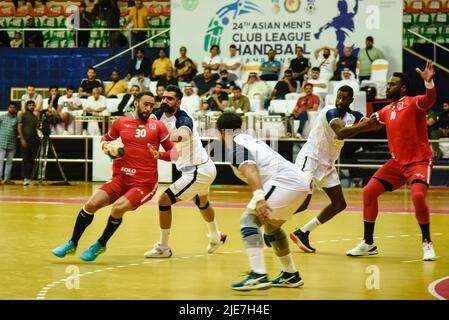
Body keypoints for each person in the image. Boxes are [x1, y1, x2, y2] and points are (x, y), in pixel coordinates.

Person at [51, 91, 176, 261]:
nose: (149, 108)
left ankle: (100, 244)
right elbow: (106, 138)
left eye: (151, 105)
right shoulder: (121, 122)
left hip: (144, 183)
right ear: (136, 104)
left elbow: (174, 153)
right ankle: (72, 243)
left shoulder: (158, 126)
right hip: (120, 178)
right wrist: (105, 146)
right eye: (145, 104)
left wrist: (159, 155)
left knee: (118, 208)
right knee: (91, 204)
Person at [346, 60, 437, 261]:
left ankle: (427, 243)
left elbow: (429, 100)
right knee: (369, 192)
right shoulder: (387, 110)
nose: (388, 87)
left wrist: (429, 83)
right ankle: (368, 244)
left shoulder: (414, 103)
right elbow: (371, 124)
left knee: (418, 197)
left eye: (392, 84)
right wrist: (350, 128)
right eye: (388, 84)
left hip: (419, 162)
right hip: (396, 164)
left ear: (402, 87)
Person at [216, 112, 312, 290]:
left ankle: (258, 274)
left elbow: (250, 169)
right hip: (298, 182)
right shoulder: (248, 139)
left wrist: (260, 198)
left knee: (248, 220)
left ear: (222, 131)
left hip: (285, 181)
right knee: (271, 228)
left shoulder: (234, 145)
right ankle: (290, 275)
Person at [289, 85, 378, 253]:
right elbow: (341, 131)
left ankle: (303, 232)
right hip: (310, 158)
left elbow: (374, 125)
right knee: (302, 202)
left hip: (327, 163)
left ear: (351, 100)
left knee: (339, 204)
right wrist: (366, 125)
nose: (340, 101)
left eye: (345, 98)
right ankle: (271, 224)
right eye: (339, 97)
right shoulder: (330, 111)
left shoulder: (354, 116)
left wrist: (378, 120)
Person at [144, 85, 227, 258]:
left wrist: (159, 142)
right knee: (203, 204)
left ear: (178, 102)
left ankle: (163, 248)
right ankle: (215, 235)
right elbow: (146, 124)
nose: (165, 101)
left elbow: (181, 136)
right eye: (163, 97)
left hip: (198, 171)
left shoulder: (183, 119)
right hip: (202, 167)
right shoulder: (158, 114)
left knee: (164, 200)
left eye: (170, 98)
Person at [18, 100, 40, 186]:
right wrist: (22, 139)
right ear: (26, 106)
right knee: (25, 159)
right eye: (29, 105)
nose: (31, 106)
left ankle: (30, 178)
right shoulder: (23, 115)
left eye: (32, 105)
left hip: (34, 141)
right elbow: (19, 127)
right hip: (25, 141)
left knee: (31, 160)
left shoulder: (35, 116)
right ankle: (25, 178)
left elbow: (37, 129)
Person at [0, 102, 18, 184]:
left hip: (12, 143)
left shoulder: (17, 119)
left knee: (9, 162)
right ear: (8, 108)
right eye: (10, 107)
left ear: (15, 109)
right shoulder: (2, 117)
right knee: (0, 161)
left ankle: (7, 179)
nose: (12, 109)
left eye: (13, 107)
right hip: (1, 142)